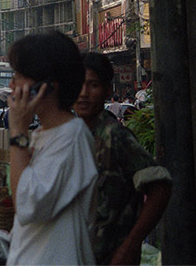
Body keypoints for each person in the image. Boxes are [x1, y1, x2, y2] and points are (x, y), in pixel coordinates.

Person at [5, 31, 98, 265]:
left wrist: (17, 133)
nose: (11, 84)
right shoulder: (39, 135)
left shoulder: (72, 136)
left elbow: (27, 206)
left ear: (45, 86)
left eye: (19, 76)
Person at [75, 52, 173, 265]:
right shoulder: (72, 136)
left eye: (92, 85)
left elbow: (160, 187)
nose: (83, 93)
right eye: (78, 84)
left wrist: (131, 244)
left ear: (108, 90)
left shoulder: (115, 137)